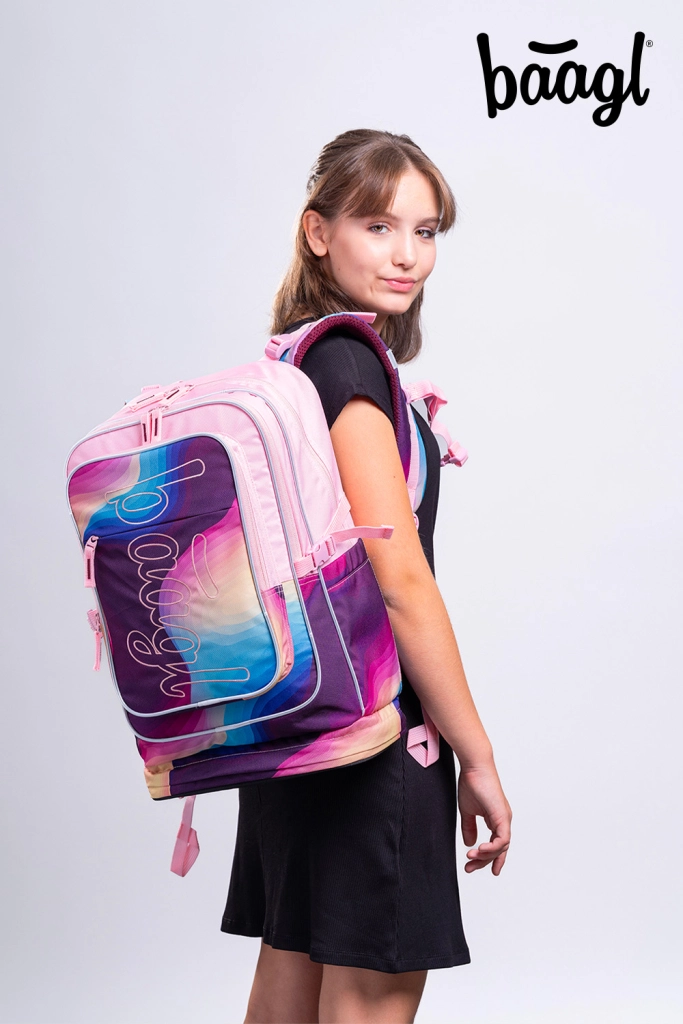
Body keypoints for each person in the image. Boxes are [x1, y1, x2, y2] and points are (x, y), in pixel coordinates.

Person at [221, 128, 512, 1024]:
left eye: (424, 232)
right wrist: (476, 755)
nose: (406, 255)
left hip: (298, 728)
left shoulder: (296, 359)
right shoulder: (347, 364)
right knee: (371, 996)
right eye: (378, 226)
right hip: (375, 736)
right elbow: (399, 582)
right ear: (318, 232)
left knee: (289, 977)